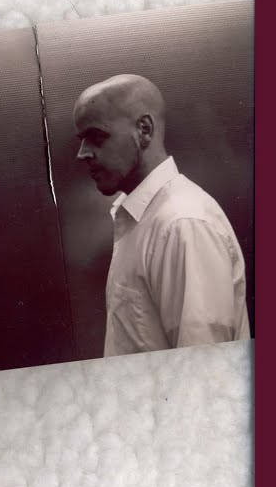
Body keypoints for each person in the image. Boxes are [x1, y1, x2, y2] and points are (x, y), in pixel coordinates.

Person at [73, 74, 250, 356]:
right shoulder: (142, 217)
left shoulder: (182, 223)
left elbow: (202, 369)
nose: (82, 154)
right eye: (82, 140)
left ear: (144, 130)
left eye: (96, 137)